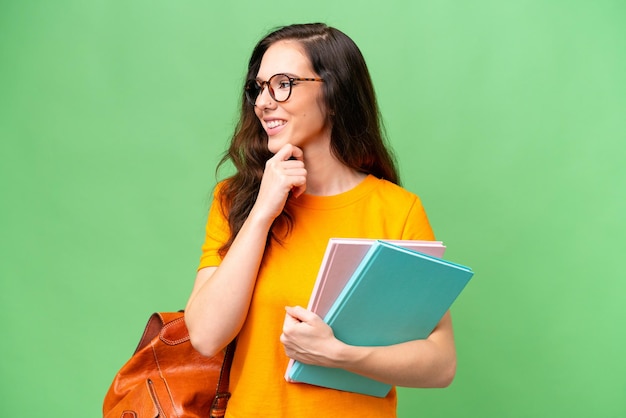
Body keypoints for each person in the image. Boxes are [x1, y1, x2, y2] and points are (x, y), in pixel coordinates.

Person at [185, 23, 456, 417]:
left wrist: (338, 354)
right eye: (258, 87)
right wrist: (262, 213)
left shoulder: (397, 210)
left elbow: (441, 363)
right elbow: (207, 337)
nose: (263, 102)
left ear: (333, 94)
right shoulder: (234, 200)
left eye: (283, 83)